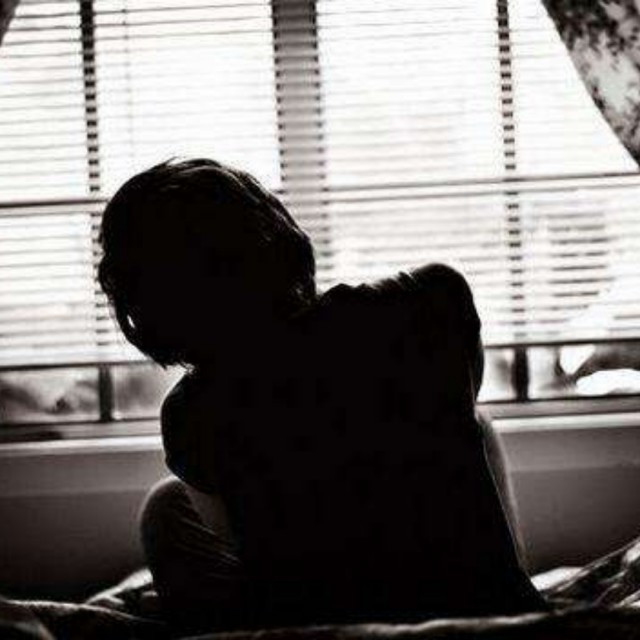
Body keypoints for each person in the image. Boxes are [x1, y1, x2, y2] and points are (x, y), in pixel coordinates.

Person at [98, 158, 546, 633]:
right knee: (472, 421)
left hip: (325, 622)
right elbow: (461, 393)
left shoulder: (191, 416)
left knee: (167, 507)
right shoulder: (431, 299)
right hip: (484, 611)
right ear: (276, 231)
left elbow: (239, 539)